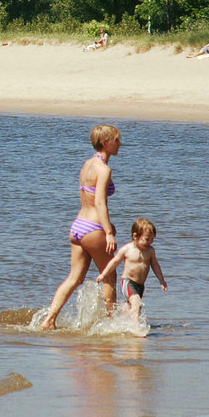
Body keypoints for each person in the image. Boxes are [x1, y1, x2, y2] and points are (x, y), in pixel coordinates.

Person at [41, 124, 123, 330]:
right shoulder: (104, 169)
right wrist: (109, 232)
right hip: (94, 229)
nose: (120, 144)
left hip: (78, 226)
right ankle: (111, 324)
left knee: (74, 278)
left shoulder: (87, 164)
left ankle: (49, 320)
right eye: (116, 140)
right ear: (105, 143)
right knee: (110, 275)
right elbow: (100, 203)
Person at [96, 217, 166, 325]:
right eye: (147, 239)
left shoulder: (150, 251)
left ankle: (122, 325)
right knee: (136, 303)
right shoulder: (127, 249)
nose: (150, 242)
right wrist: (103, 274)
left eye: (152, 239)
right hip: (128, 282)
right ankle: (136, 328)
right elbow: (114, 262)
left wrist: (161, 280)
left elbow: (155, 265)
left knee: (130, 306)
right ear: (135, 236)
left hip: (140, 285)